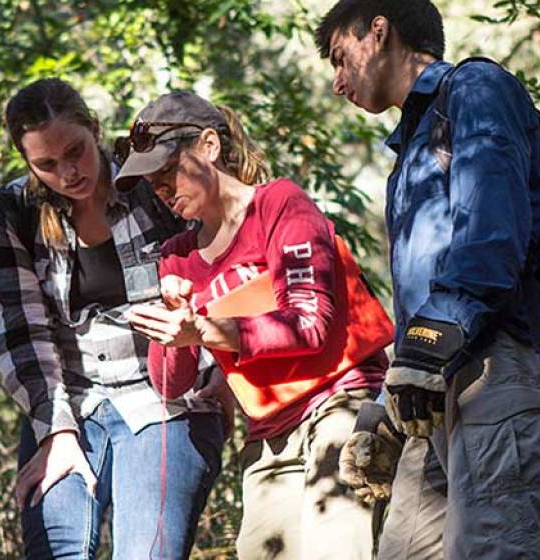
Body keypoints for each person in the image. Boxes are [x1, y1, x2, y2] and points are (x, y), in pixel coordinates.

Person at [315, 1, 540, 558]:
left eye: (340, 58)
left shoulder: (476, 88)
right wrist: (389, 406)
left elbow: (492, 229)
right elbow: (425, 287)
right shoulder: (411, 145)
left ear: (377, 33)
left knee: (497, 548)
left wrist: (430, 347)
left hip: (499, 361)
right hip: (436, 385)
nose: (337, 82)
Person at [117, 92, 396, 560]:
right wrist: (171, 332)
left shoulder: (278, 205)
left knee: (337, 546)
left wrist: (204, 329)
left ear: (209, 145)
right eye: (152, 181)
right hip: (270, 433)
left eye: (167, 171)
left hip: (341, 402)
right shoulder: (177, 256)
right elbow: (170, 384)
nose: (161, 189)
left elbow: (311, 324)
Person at [0, 78, 225, 559]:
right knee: (56, 549)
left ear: (94, 129)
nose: (68, 173)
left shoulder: (150, 186)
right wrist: (56, 431)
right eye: (46, 165)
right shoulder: (10, 212)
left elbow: (218, 274)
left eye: (76, 151)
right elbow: (20, 330)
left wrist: (224, 375)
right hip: (68, 402)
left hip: (166, 399)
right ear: (26, 162)